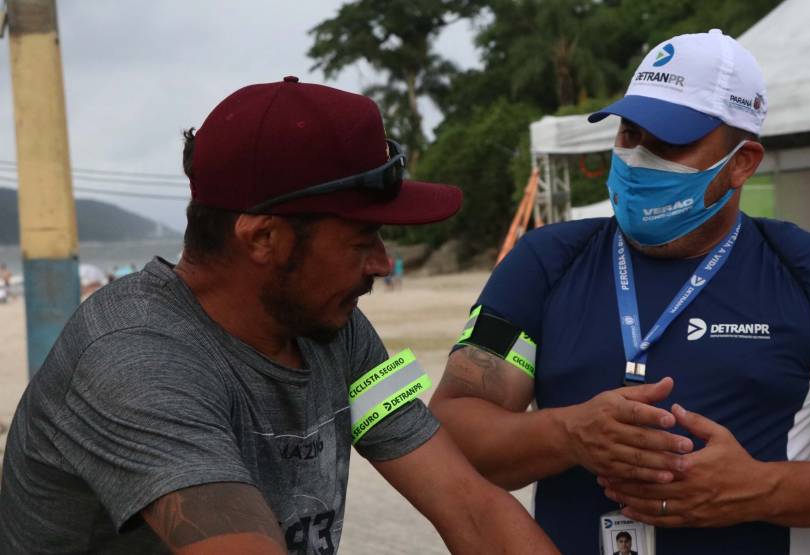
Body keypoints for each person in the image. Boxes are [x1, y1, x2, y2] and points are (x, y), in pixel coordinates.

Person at [0, 78, 559, 554]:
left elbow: (469, 505)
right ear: (263, 237)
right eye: (362, 240)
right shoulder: (134, 357)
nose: (384, 265)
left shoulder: (334, 329)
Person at [430, 29, 810, 555]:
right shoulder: (545, 261)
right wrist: (566, 434)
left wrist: (760, 491)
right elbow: (449, 433)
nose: (639, 157)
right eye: (630, 134)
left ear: (742, 162)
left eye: (669, 143)